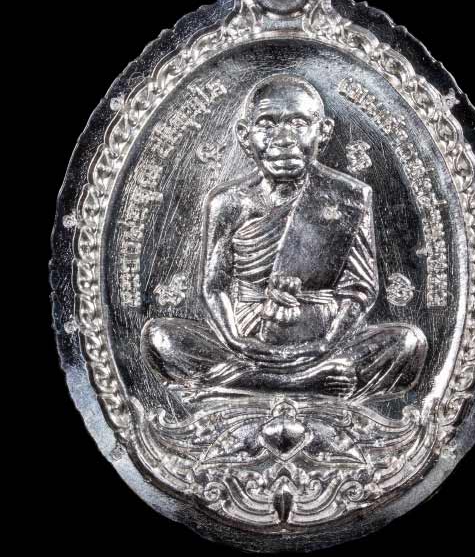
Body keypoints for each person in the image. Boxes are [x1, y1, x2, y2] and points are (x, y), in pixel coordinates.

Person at [141, 74, 427, 400]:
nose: (283, 139)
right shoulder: (228, 202)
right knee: (160, 336)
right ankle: (303, 383)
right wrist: (235, 340)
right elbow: (215, 285)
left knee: (408, 343)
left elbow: (360, 290)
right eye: (267, 124)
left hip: (321, 337)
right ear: (245, 135)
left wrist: (325, 343)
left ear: (324, 131)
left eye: (298, 123)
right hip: (247, 339)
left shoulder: (350, 196)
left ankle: (249, 382)